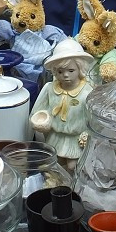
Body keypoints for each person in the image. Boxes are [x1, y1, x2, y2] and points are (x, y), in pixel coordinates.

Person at [29, 37, 94, 169]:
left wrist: (87, 134)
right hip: (55, 137)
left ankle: (73, 188)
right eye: (60, 71)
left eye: (71, 71)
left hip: (76, 140)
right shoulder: (49, 88)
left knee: (73, 166)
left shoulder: (87, 92)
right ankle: (55, 184)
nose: (65, 75)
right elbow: (37, 111)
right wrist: (41, 121)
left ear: (80, 69)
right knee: (53, 164)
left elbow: (93, 120)